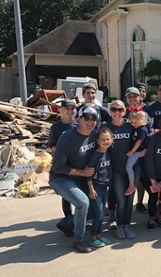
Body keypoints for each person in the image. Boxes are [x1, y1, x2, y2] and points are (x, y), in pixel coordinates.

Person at [49, 105, 98, 253]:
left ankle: (66, 223)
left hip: (80, 178)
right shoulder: (67, 137)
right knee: (83, 203)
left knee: (98, 208)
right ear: (79, 119)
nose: (90, 121)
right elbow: (58, 167)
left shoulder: (94, 135)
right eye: (87, 118)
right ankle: (79, 240)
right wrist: (82, 172)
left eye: (93, 118)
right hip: (60, 178)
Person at [101, 100, 138, 239]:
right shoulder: (105, 128)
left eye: (120, 109)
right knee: (121, 200)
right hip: (115, 170)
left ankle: (127, 225)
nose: (117, 112)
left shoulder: (130, 127)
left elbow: (143, 136)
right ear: (110, 111)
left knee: (129, 200)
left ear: (124, 112)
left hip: (131, 169)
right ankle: (120, 226)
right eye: (114, 109)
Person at [47, 99, 78, 230]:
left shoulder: (79, 124)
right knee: (67, 195)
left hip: (78, 164)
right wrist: (63, 150)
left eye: (73, 109)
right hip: (63, 165)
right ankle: (68, 219)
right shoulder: (56, 128)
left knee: (79, 193)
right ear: (61, 110)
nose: (70, 111)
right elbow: (51, 146)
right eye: (67, 108)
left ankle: (79, 219)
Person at [123, 86, 152, 214]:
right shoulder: (122, 112)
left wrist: (146, 149)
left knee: (143, 178)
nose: (132, 99)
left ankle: (143, 203)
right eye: (130, 96)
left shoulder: (145, 113)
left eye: (135, 96)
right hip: (125, 151)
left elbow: (150, 133)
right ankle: (125, 210)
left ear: (140, 97)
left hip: (140, 152)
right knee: (128, 177)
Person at [86, 128, 114, 248]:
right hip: (96, 188)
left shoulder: (107, 152)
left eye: (108, 139)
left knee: (102, 213)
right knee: (98, 213)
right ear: (97, 141)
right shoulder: (95, 155)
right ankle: (92, 237)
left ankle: (98, 235)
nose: (105, 141)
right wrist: (91, 189)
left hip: (104, 188)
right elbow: (89, 174)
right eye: (102, 140)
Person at [124, 107, 149, 196]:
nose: (134, 124)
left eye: (136, 122)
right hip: (136, 151)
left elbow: (139, 141)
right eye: (132, 122)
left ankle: (132, 184)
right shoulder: (137, 128)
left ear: (142, 120)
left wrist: (132, 151)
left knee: (128, 166)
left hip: (138, 151)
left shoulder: (142, 129)